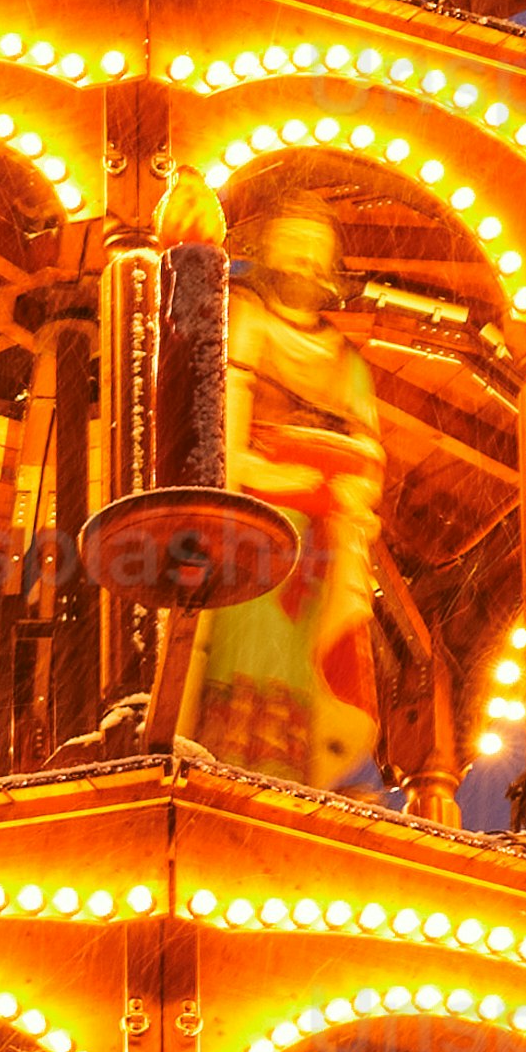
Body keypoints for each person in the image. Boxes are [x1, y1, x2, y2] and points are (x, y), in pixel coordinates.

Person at [193, 196, 384, 791]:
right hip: (249, 525)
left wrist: (344, 485)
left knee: (300, 657)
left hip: (319, 539)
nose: (303, 262)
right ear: (269, 252)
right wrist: (262, 471)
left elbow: (369, 451)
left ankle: (285, 764)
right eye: (293, 246)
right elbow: (213, 422)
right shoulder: (243, 319)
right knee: (240, 640)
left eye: (314, 251)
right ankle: (225, 754)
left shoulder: (346, 362)